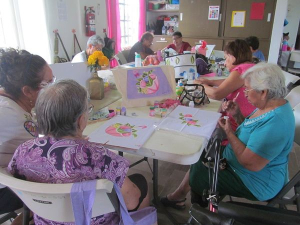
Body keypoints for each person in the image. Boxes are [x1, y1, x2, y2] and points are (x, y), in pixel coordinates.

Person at [8, 80, 150, 225]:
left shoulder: (23, 150)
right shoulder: (100, 157)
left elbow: (17, 184)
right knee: (140, 182)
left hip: (46, 221)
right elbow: (131, 202)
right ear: (81, 121)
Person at [162, 63, 295, 209]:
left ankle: (200, 206)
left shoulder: (276, 123)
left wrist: (229, 132)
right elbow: (253, 132)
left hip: (255, 181)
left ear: (263, 92)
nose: (244, 93)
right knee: (201, 152)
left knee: (200, 170)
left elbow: (249, 163)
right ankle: (189, 196)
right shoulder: (270, 106)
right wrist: (237, 115)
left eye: (247, 89)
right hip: (241, 163)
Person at [0, 48, 55, 221]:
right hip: (4, 190)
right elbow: (44, 152)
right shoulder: (14, 116)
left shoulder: (9, 99)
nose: (53, 88)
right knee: (62, 176)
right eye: (48, 84)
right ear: (27, 91)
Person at [195, 39, 256, 131]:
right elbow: (230, 82)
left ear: (233, 57)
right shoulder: (250, 67)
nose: (224, 63)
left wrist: (199, 85)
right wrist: (210, 82)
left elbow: (216, 94)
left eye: (226, 58)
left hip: (239, 124)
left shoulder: (241, 70)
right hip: (248, 119)